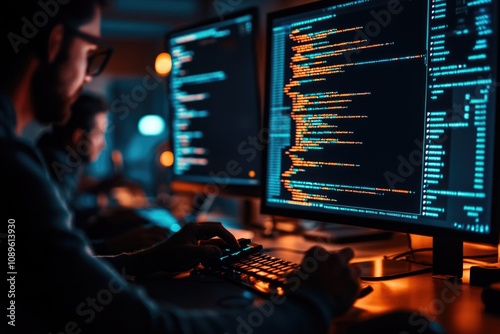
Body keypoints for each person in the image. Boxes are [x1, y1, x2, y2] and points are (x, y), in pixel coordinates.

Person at [0, 1, 360, 333]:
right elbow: (151, 328)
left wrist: (146, 260)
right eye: (90, 54)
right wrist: (314, 303)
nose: (89, 76)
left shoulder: (16, 159)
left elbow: (42, 277)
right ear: (56, 42)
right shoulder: (13, 168)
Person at [36, 91, 169, 254]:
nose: (103, 144)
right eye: (99, 134)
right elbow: (58, 251)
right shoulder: (54, 170)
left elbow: (69, 216)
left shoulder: (55, 157)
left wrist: (104, 217)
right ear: (79, 138)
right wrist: (116, 245)